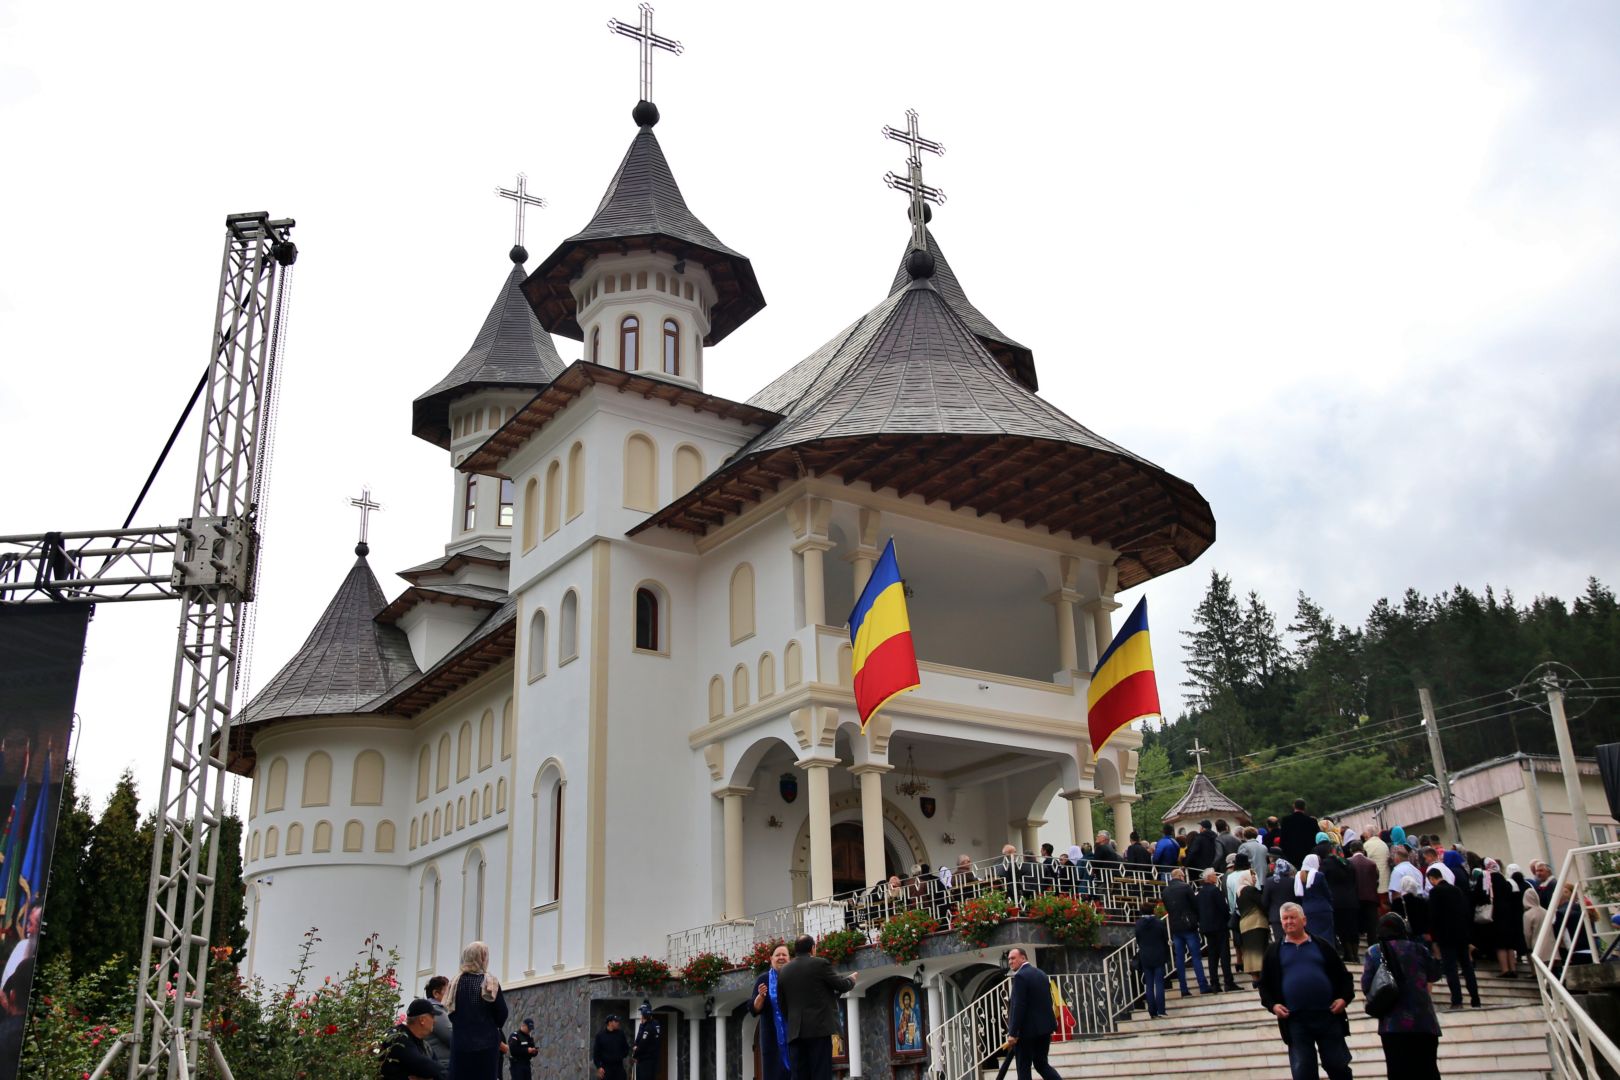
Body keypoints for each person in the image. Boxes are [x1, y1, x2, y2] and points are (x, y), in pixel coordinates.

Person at [1259, 902, 1355, 1080]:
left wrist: (1343, 999)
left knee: (1337, 1065)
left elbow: (1344, 977)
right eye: (1285, 919)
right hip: (1295, 1020)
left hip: (1328, 1015)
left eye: (1292, 917)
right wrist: (1273, 1006)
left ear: (1304, 920)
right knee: (1303, 1069)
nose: (1288, 922)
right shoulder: (1273, 951)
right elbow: (1264, 986)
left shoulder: (1322, 946)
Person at [1362, 912, 1441, 1079]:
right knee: (1428, 1070)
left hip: (1393, 1024)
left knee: (1398, 1071)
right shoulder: (1419, 949)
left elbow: (1366, 985)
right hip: (1423, 1021)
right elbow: (1434, 974)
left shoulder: (1375, 952)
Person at [778, 933, 857, 1080]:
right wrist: (851, 980)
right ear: (813, 949)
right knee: (821, 1073)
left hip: (795, 1034)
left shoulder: (784, 971)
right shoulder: (820, 964)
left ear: (795, 950)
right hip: (818, 1031)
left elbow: (782, 1004)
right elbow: (840, 985)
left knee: (800, 1076)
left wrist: (793, 1021)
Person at [448, 941, 508, 1080]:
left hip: (460, 1043)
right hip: (486, 1045)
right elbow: (502, 1014)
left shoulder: (455, 983)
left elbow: (451, 1012)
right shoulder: (489, 982)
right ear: (482, 958)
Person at [1424, 865, 1479, 1009]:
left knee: (1451, 969)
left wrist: (1434, 937)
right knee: (1467, 967)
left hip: (1446, 936)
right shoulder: (1457, 890)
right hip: (1461, 934)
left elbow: (1434, 916)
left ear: (1431, 878)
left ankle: (1457, 1000)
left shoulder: (1435, 892)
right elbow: (1466, 912)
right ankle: (1475, 998)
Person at [1005, 947, 1062, 1080]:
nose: (1010, 962)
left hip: (1026, 1033)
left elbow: (1019, 1006)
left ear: (1023, 958)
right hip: (1044, 1030)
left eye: (1013, 958)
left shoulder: (1020, 976)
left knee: (1023, 1068)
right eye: (1008, 959)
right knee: (1041, 1064)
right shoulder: (1041, 974)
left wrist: (1013, 1033)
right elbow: (1048, 1001)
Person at [1163, 868, 1210, 995]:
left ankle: (1183, 988)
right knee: (1195, 956)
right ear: (1180, 876)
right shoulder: (1185, 887)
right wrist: (1197, 919)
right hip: (1189, 925)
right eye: (1183, 876)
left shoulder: (1166, 890)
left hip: (1175, 927)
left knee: (1179, 958)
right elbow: (1195, 905)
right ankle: (1202, 985)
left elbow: (1167, 907)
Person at [750, 943, 793, 1080]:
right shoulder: (764, 979)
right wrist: (760, 998)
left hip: (794, 1036)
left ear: (790, 958)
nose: (781, 957)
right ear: (771, 958)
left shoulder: (795, 977)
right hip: (772, 1039)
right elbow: (753, 1008)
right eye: (777, 955)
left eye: (784, 955)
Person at [380, 998, 449, 1080]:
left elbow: (438, 1069)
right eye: (432, 1016)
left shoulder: (424, 1044)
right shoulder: (398, 1037)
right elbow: (421, 1064)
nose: (435, 1021)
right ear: (422, 1020)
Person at [1480, 858, 1523, 977]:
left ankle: (1505, 969)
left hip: (1496, 914)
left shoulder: (1487, 879)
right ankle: (1513, 969)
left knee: (1500, 944)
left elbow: (1483, 895)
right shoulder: (1505, 880)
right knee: (1509, 944)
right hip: (1508, 914)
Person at [1198, 868, 1239, 991]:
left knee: (1212, 955)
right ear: (1209, 878)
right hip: (1219, 926)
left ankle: (1214, 982)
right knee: (1224, 954)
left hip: (1207, 927)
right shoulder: (1215, 891)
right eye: (1214, 875)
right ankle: (1228, 981)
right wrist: (1228, 920)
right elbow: (1223, 908)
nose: (1216, 877)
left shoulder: (1200, 893)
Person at [1234, 860, 1270, 988]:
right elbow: (1262, 905)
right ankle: (1262, 978)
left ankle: (1255, 978)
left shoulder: (1239, 892)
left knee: (1249, 952)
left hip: (1244, 924)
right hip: (1256, 922)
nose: (1255, 878)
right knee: (1260, 950)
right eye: (1253, 876)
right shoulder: (1251, 890)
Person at [1323, 847, 1361, 962]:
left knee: (1342, 929)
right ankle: (1355, 954)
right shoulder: (1349, 864)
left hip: (1337, 901)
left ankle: (1348, 954)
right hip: (1352, 900)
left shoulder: (1327, 864)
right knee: (1353, 928)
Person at [1133, 902, 1170, 1018]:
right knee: (1159, 983)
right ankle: (1161, 1010)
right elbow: (1165, 938)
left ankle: (1151, 1011)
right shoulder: (1159, 923)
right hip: (1158, 954)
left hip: (1145, 956)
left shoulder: (1138, 924)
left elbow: (1138, 939)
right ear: (1153, 910)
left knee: (1149, 985)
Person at [1294, 854, 1336, 944]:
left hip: (1307, 910)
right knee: (1327, 936)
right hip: (1323, 909)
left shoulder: (1298, 876)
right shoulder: (1318, 875)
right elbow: (1327, 893)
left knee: (1312, 936)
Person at [1347, 842, 1380, 949]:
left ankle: (1356, 953)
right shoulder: (1372, 863)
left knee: (1355, 926)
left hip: (1355, 899)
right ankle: (1374, 950)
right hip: (1371, 898)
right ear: (1362, 849)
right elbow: (1377, 879)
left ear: (1351, 850)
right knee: (1372, 929)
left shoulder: (1348, 863)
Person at [420, 975, 453, 1069]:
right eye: (448, 992)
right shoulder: (436, 1011)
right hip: (444, 1064)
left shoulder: (429, 1009)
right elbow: (452, 1037)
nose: (451, 995)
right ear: (436, 994)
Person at [1262, 858, 1296, 942]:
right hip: (1292, 914)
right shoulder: (1293, 881)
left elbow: (1264, 901)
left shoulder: (1270, 882)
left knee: (1280, 941)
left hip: (1276, 916)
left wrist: (1267, 913)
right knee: (1293, 938)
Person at [1280, 800, 1318, 869]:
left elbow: (1283, 840)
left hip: (1291, 856)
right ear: (1305, 807)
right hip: (1308, 855)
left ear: (1294, 806)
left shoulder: (1286, 821)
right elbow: (1316, 840)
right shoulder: (1312, 821)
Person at [592, 1015, 631, 1080]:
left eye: (618, 1021)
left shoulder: (621, 1034)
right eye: (616, 1021)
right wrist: (599, 1067)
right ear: (609, 1023)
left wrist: (620, 1056)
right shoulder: (600, 1035)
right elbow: (596, 1053)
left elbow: (626, 1048)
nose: (618, 1023)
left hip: (619, 1067)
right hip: (606, 1068)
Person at [629, 1004, 659, 1080]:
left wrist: (635, 1054)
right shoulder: (644, 1025)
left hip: (647, 1059)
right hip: (643, 1058)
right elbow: (638, 1038)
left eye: (642, 1013)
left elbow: (643, 1043)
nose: (641, 1016)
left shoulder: (650, 1026)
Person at [1523, 886, 1552, 964]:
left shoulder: (1528, 914)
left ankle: (1534, 974)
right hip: (1550, 944)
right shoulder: (1545, 911)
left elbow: (1527, 933)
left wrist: (1528, 946)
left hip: (1536, 944)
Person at [1360, 829, 1391, 899]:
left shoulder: (1366, 845)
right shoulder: (1383, 843)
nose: (1364, 839)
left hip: (1377, 884)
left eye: (1365, 837)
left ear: (1368, 835)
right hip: (1387, 882)